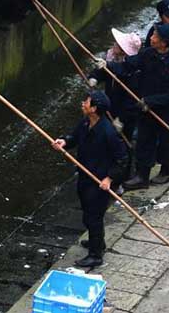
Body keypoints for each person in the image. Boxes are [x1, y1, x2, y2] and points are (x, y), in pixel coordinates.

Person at [52, 91, 128, 268]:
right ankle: (97, 241)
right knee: (87, 213)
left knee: (94, 217)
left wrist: (109, 178)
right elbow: (75, 137)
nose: (83, 104)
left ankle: (96, 254)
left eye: (86, 102)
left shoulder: (108, 132)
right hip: (85, 175)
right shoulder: (86, 122)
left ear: (94, 108)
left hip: (99, 181)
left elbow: (122, 159)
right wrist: (64, 142)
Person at [105, 23, 169, 189]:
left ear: (164, 43)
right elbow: (129, 65)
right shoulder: (148, 53)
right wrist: (109, 66)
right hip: (145, 105)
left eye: (155, 36)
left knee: (166, 140)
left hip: (166, 108)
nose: (151, 38)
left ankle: (166, 171)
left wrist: (151, 101)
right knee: (144, 139)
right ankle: (142, 175)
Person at [89, 28, 142, 142]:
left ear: (123, 50)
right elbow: (103, 71)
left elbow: (132, 101)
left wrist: (121, 119)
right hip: (111, 100)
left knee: (122, 138)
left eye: (117, 44)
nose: (114, 44)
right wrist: (94, 77)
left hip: (125, 110)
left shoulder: (134, 72)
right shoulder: (112, 57)